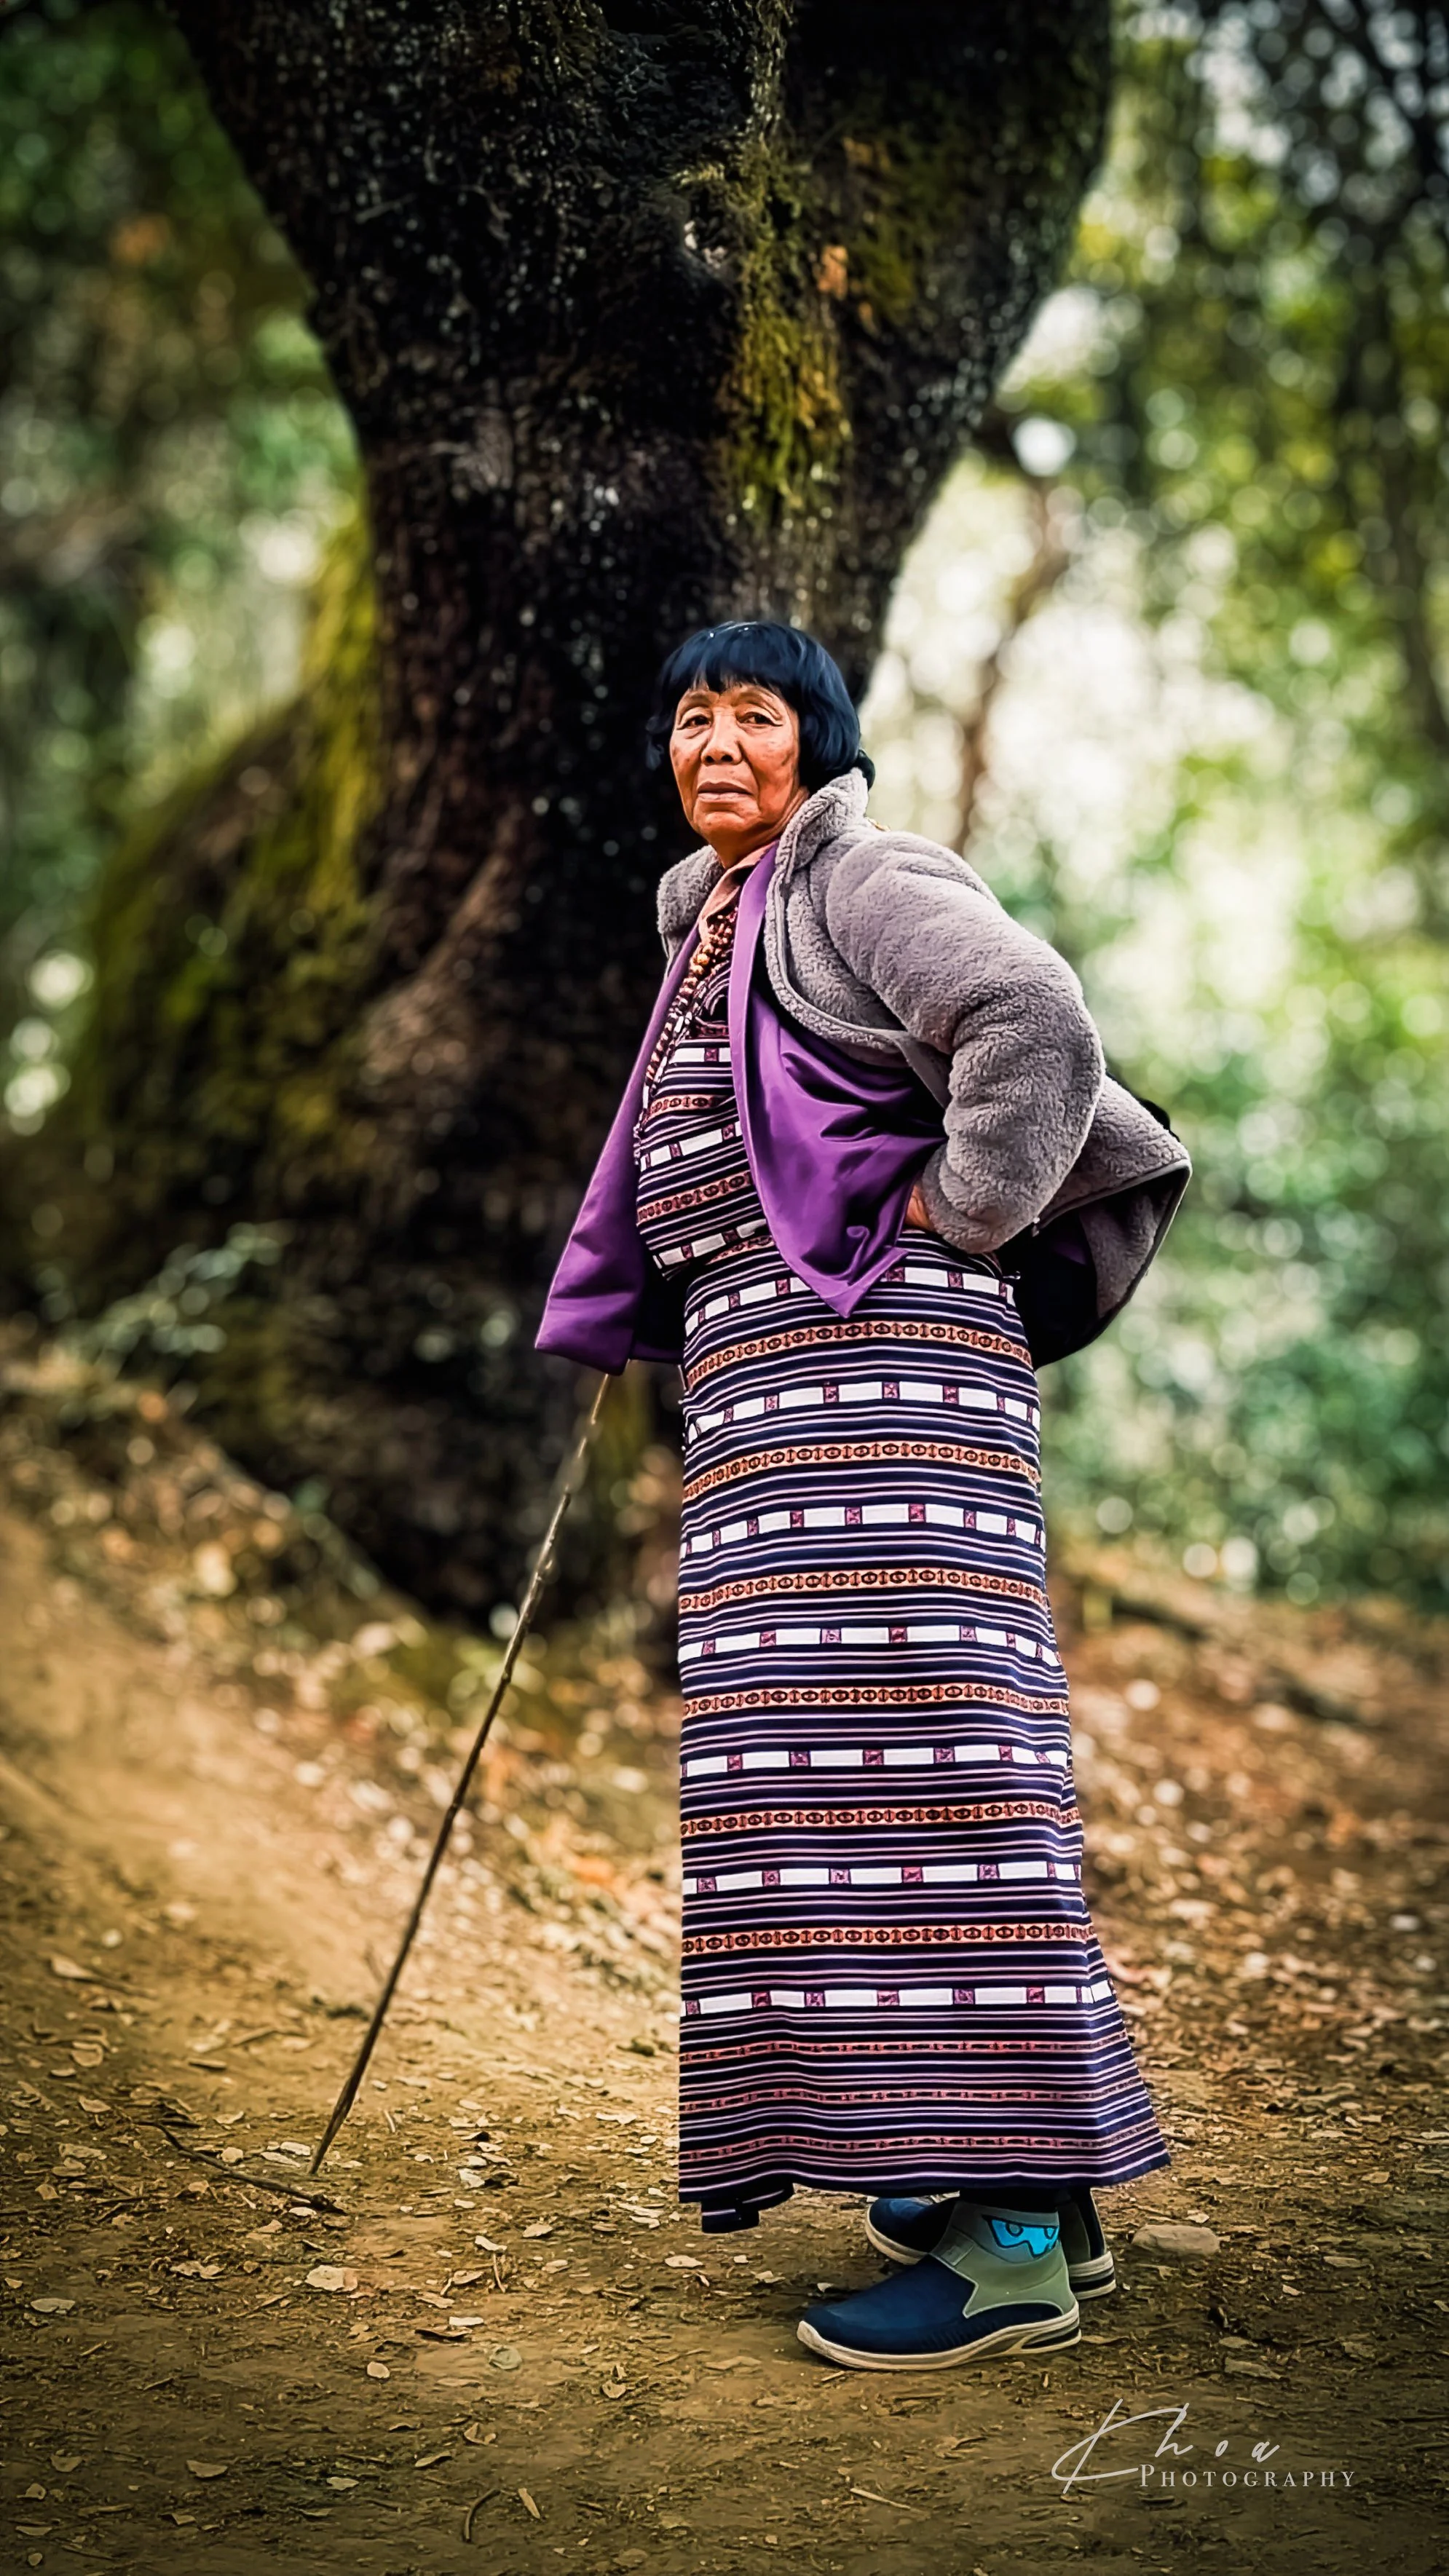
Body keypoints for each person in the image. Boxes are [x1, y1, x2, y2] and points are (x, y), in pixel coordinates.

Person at [537, 620, 1191, 2371]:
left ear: (820, 746)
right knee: (809, 1762)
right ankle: (1022, 2172)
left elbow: (1031, 1018)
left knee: (919, 1754)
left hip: (882, 1393)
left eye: (753, 713)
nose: (717, 741)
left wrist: (961, 1214)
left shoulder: (862, 872)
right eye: (690, 717)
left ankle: (1006, 2250)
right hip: (780, 1406)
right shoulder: (711, 916)